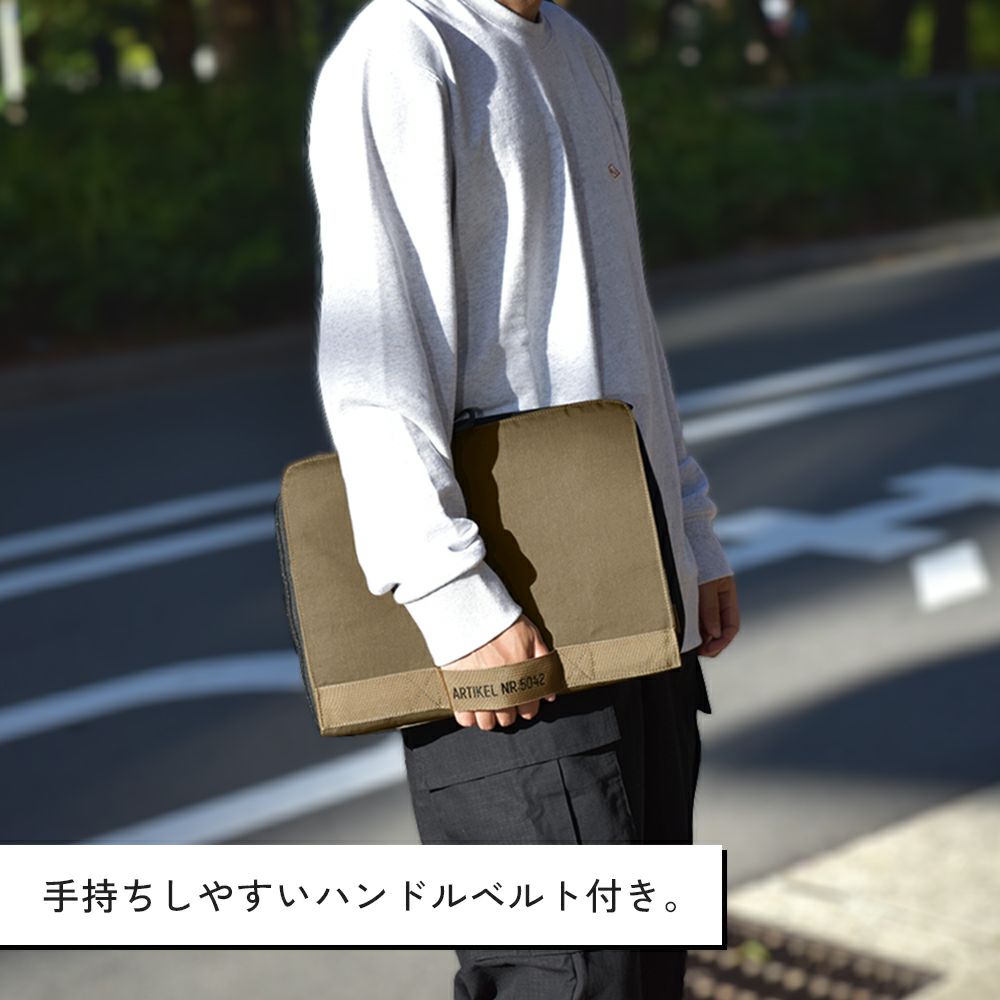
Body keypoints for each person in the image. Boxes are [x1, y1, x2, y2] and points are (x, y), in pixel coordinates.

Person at [306, 0, 740, 996]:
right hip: (508, 620)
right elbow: (376, 357)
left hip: (638, 605)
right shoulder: (406, 46)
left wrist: (691, 529)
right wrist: (454, 600)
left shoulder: (573, 47)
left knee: (643, 971)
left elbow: (623, 328)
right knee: (557, 976)